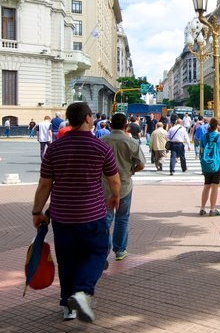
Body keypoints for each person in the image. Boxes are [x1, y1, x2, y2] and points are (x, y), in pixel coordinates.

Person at [32, 101, 120, 323]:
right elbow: (114, 179)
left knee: (67, 260)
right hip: (92, 215)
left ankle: (67, 306)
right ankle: (81, 293)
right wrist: (114, 196)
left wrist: (37, 211)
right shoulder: (101, 148)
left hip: (62, 216)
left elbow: (44, 184)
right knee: (98, 254)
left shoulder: (54, 148)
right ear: (88, 118)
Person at [101, 113, 144, 262]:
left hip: (104, 185)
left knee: (105, 218)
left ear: (110, 125)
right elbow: (141, 164)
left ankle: (102, 251)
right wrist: (131, 170)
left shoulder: (101, 141)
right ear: (126, 126)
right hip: (124, 184)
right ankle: (119, 250)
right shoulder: (130, 142)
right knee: (122, 218)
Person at [199, 117, 220, 215]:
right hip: (217, 164)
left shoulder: (204, 137)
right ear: (217, 126)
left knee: (206, 186)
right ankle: (212, 209)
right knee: (215, 187)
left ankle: (202, 208)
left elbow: (202, 151)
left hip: (206, 165)